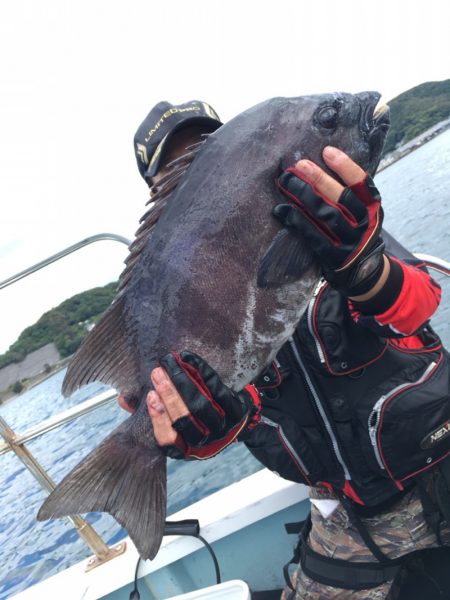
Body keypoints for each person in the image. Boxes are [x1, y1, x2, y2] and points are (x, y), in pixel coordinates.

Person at [123, 100, 450, 599]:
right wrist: (200, 434)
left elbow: (419, 303)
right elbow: (237, 414)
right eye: (175, 170)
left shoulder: (330, 221)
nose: (197, 169)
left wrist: (364, 268)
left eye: (210, 150)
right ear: (163, 197)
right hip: (347, 512)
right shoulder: (175, 297)